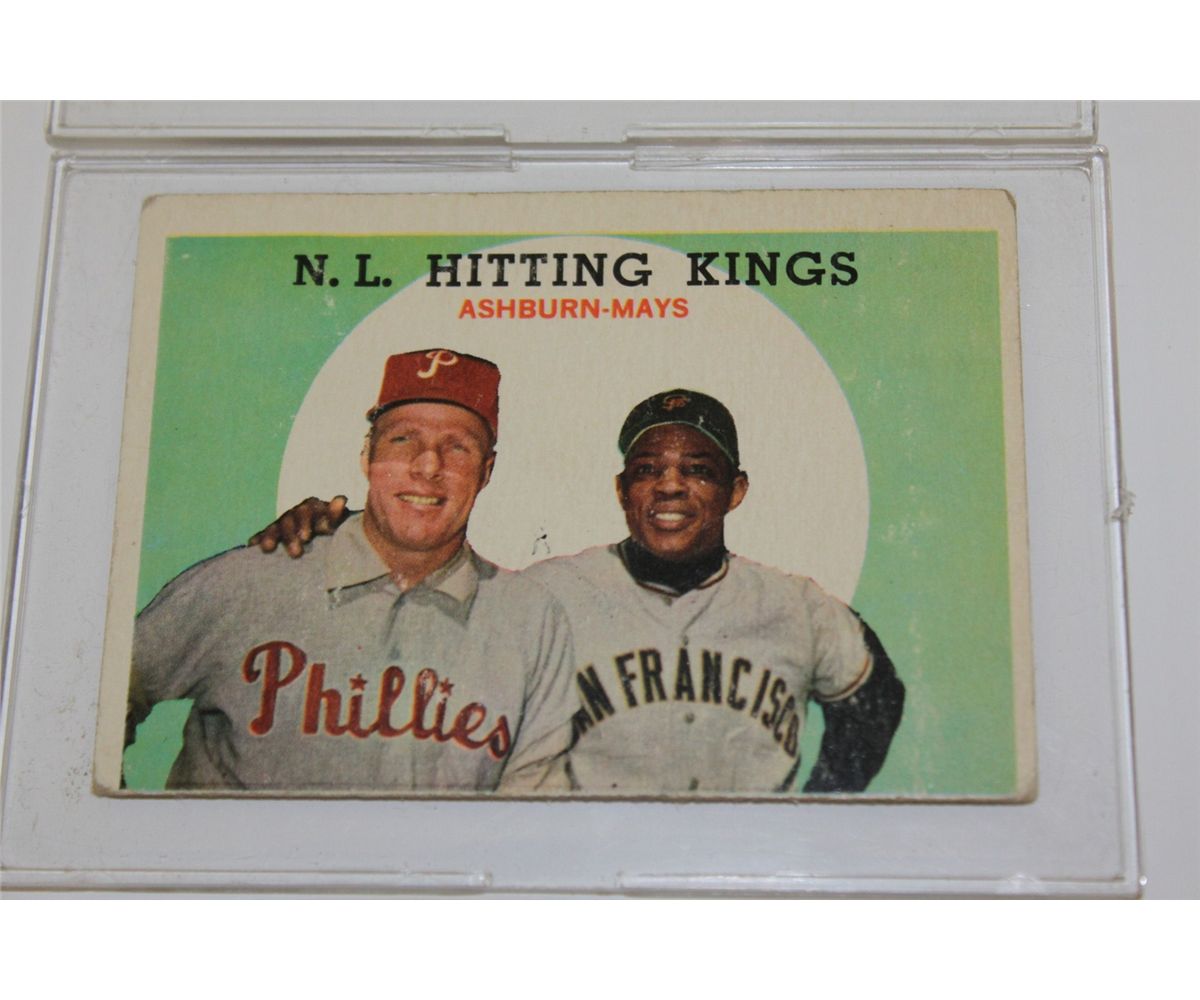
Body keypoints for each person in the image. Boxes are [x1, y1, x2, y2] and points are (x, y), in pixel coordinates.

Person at [255, 389, 904, 795]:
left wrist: (824, 809)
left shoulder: (794, 605)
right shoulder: (547, 593)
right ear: (623, 490)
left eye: (698, 471)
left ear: (735, 491)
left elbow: (876, 694)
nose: (670, 486)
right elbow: (423, 600)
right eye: (647, 470)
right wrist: (345, 532)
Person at [127, 348, 577, 793]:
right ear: (367, 456)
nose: (428, 466)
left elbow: (532, 808)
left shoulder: (530, 619)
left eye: (457, 447)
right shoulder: (247, 582)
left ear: (486, 471)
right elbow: (97, 697)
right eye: (403, 440)